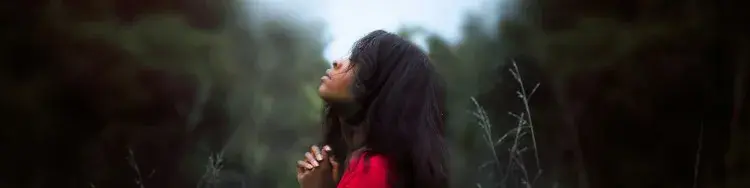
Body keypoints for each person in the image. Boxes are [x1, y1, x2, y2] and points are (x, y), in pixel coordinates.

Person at [295, 30, 448, 188]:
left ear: (383, 88)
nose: (336, 62)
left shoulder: (373, 172)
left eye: (357, 62)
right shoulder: (374, 168)